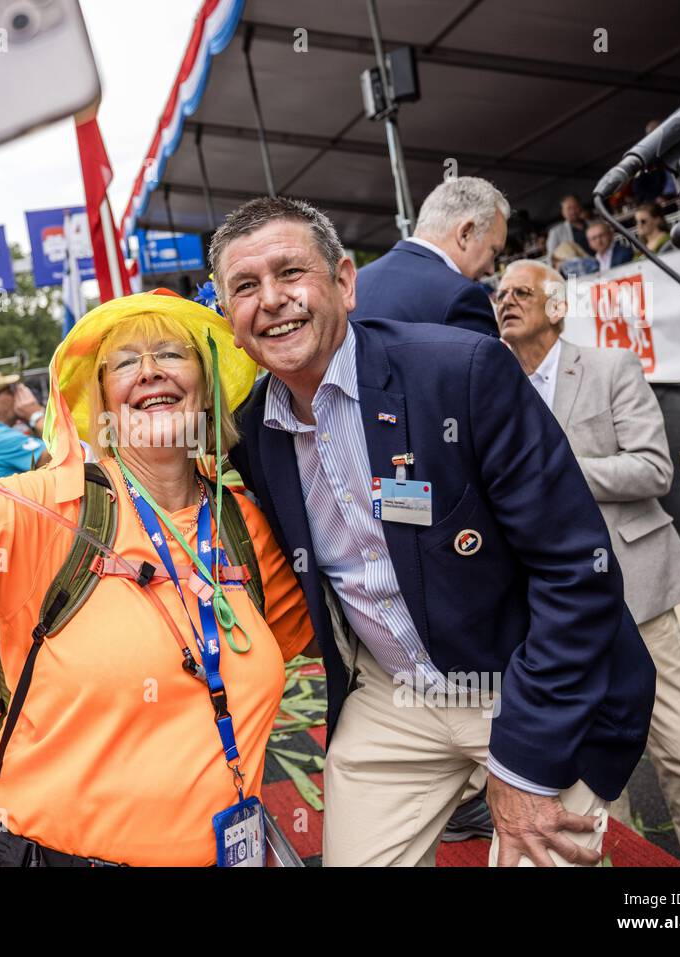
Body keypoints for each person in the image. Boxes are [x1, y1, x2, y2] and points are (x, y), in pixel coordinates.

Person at [212, 195, 655, 867]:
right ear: (228, 318)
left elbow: (578, 573)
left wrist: (524, 767)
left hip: (520, 677)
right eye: (246, 286)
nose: (271, 299)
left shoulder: (462, 374)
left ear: (345, 280)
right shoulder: (253, 437)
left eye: (290, 272)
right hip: (393, 698)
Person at [0, 290, 315, 867]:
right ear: (98, 399)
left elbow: (333, 636)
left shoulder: (242, 522)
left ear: (205, 387)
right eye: (126, 362)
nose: (150, 371)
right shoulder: (42, 509)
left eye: (172, 354)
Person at [497, 259, 680, 867]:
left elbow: (653, 468)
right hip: (549, 607)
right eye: (499, 292)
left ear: (557, 307)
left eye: (521, 292)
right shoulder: (495, 383)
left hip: (632, 594)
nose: (505, 301)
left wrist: (557, 474)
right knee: (583, 760)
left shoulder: (610, 366)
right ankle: (620, 856)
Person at [350, 176, 505, 336]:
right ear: (465, 233)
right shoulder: (463, 296)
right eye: (494, 251)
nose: (491, 270)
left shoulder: (354, 285)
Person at [545, 193, 590, 260]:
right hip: (577, 268)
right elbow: (551, 258)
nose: (573, 211)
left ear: (580, 207)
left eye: (575, 207)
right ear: (563, 212)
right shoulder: (556, 232)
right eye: (569, 208)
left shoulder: (594, 223)